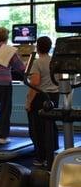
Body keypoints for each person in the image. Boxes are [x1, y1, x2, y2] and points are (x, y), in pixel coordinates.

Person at [26, 36, 59, 168]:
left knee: (37, 127)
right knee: (51, 124)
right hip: (54, 96)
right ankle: (53, 154)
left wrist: (29, 102)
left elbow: (35, 83)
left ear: (37, 47)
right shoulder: (54, 61)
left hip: (41, 97)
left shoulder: (37, 63)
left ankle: (41, 158)